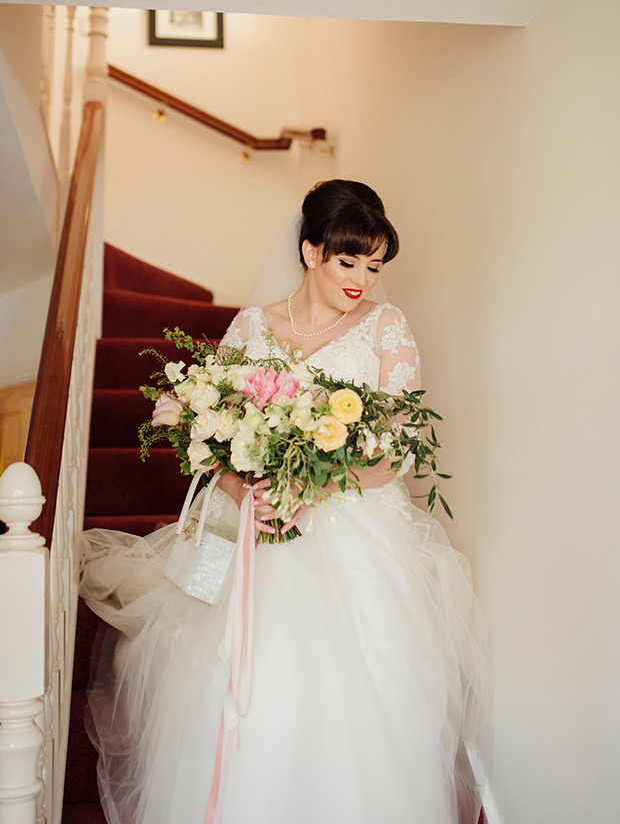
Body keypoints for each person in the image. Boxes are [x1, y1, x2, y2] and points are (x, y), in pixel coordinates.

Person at [80, 179, 489, 824]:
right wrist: (252, 489)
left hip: (357, 527)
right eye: (347, 261)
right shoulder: (253, 327)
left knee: (364, 684)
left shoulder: (386, 327)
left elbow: (398, 450)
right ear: (310, 251)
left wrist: (313, 486)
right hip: (260, 525)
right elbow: (216, 443)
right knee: (250, 681)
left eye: (375, 265)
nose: (362, 280)